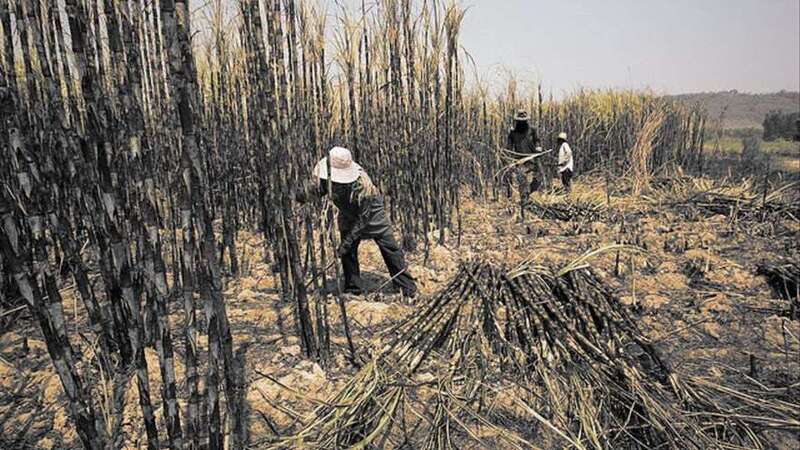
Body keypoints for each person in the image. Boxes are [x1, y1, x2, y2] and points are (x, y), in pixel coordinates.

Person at [297, 147, 417, 298]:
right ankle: (353, 289)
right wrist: (299, 195)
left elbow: (364, 218)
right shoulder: (327, 178)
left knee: (390, 249)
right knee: (348, 253)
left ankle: (407, 288)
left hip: (372, 215)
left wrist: (346, 242)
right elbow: (316, 192)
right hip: (347, 214)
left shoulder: (363, 185)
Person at [506, 110, 542, 199]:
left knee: (538, 179)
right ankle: (524, 199)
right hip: (520, 161)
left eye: (523, 121)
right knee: (522, 181)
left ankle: (528, 193)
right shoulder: (513, 133)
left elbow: (537, 140)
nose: (522, 123)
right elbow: (509, 147)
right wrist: (509, 159)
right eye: (520, 121)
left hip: (532, 159)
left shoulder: (532, 130)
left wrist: (538, 147)